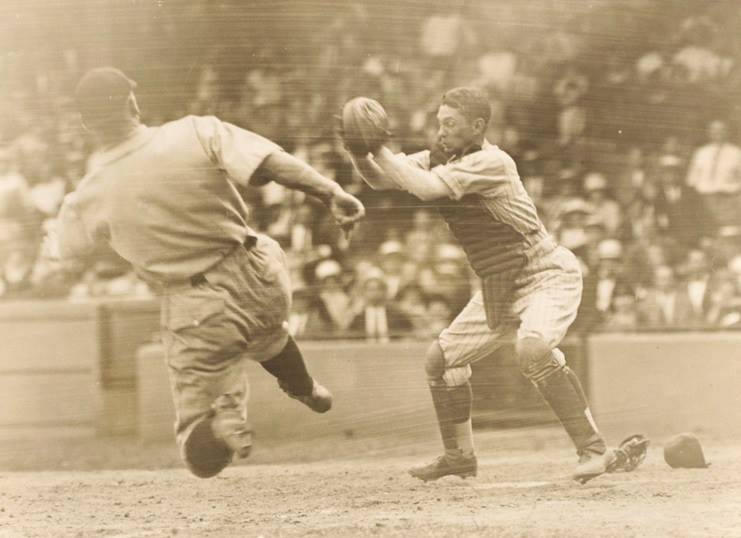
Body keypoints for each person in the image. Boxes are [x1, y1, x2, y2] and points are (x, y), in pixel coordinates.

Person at [49, 68, 365, 479]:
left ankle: (224, 419)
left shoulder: (88, 193)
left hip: (195, 304)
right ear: (132, 102)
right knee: (269, 335)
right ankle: (305, 388)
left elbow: (66, 255)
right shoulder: (193, 131)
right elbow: (269, 162)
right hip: (259, 271)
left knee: (199, 453)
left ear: (87, 125)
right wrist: (331, 192)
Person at [345, 87, 620, 483]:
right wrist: (359, 152)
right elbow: (379, 181)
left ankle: (593, 450)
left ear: (477, 126)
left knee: (533, 349)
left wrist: (380, 146)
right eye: (439, 122)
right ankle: (459, 455)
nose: (441, 131)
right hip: (499, 281)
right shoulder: (438, 158)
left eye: (451, 124)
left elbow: (425, 188)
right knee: (440, 361)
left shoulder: (493, 162)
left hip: (544, 272)